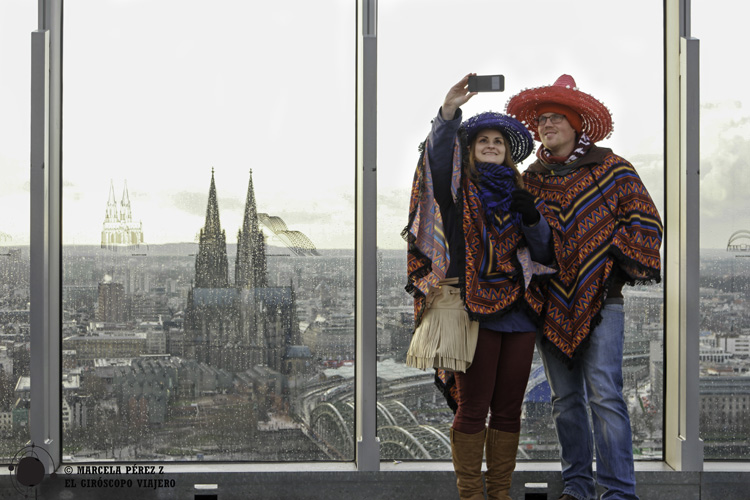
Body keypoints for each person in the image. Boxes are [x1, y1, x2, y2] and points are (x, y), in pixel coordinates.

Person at [505, 75, 663, 500]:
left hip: (603, 304)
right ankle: (577, 485)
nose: (547, 125)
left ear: (577, 125)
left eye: (557, 118)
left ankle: (617, 491)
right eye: (542, 120)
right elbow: (528, 244)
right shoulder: (531, 179)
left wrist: (607, 260)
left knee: (606, 396)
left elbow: (647, 224)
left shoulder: (613, 169)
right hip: (551, 303)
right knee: (565, 400)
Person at [404, 74, 556, 500]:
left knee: (509, 408)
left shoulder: (522, 194)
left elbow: (543, 252)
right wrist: (448, 112)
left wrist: (532, 218)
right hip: (473, 309)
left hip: (520, 312)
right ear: (470, 150)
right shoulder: (457, 191)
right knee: (474, 407)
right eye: (483, 140)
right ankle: (471, 493)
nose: (491, 145)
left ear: (508, 153)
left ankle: (500, 493)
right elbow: (435, 162)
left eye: (499, 142)